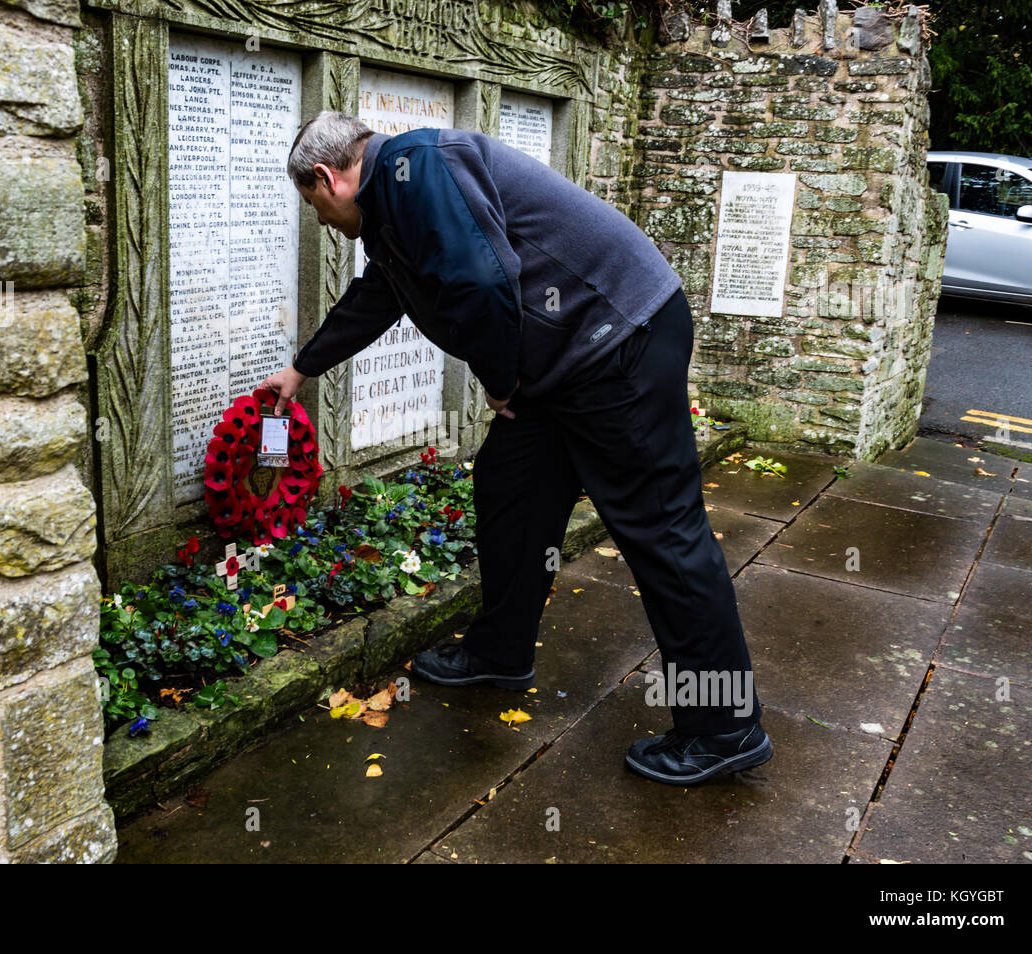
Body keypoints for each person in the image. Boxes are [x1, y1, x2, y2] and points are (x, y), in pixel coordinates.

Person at [261, 111, 771, 785]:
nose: (322, 221)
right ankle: (500, 650)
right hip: (569, 362)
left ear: (329, 177)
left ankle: (724, 727)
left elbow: (482, 280)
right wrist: (300, 370)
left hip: (620, 342)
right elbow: (380, 294)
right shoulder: (397, 203)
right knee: (511, 484)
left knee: (662, 531)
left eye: (314, 206)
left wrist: (502, 384)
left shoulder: (419, 168)